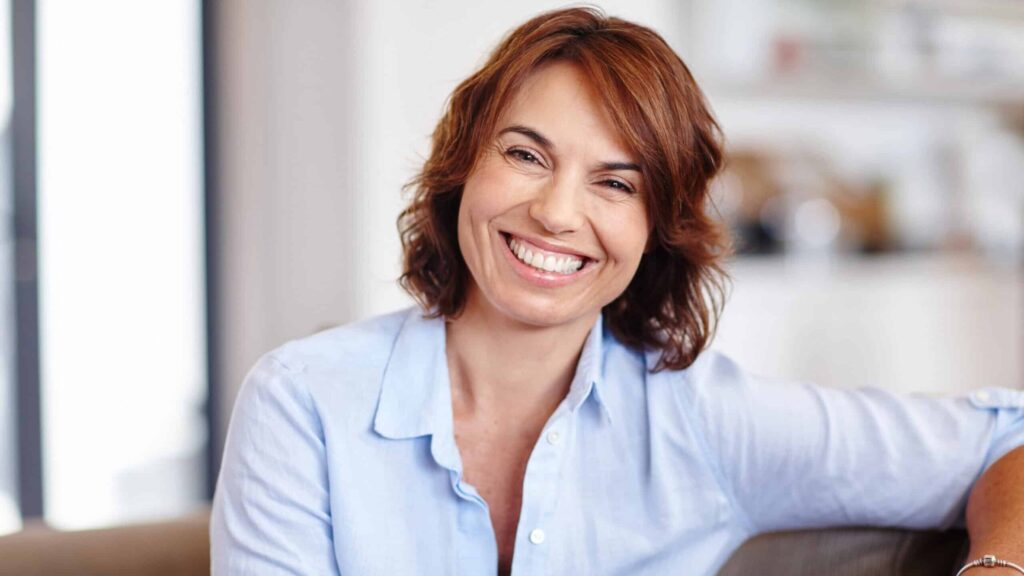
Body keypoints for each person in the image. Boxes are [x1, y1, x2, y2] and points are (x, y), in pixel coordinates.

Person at [210, 7, 1024, 575]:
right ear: (462, 169)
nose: (558, 213)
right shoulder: (303, 404)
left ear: (655, 227)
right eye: (526, 155)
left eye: (615, 184)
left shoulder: (702, 420)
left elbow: (1004, 440)